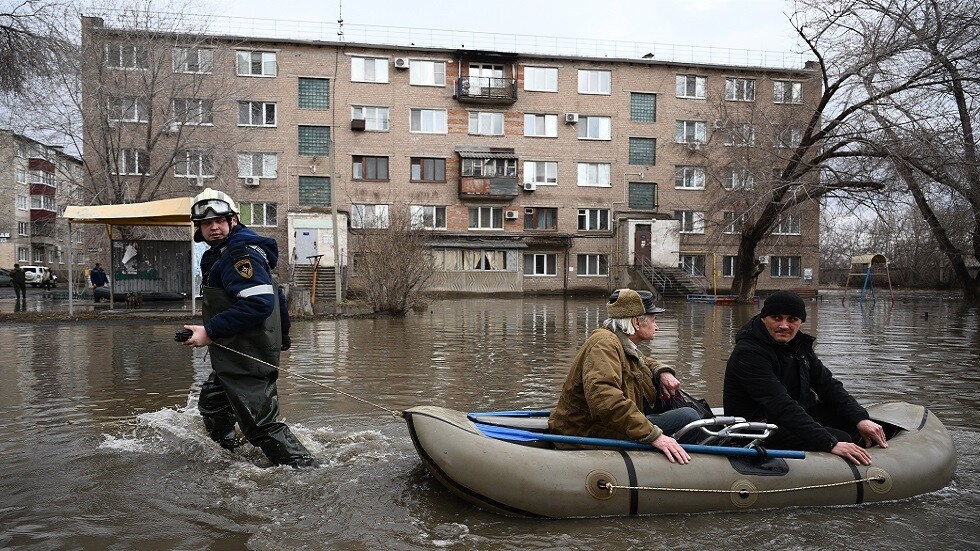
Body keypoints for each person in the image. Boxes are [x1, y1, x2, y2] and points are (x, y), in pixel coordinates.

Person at [179, 188, 316, 468]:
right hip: (236, 348)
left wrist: (210, 332)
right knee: (213, 403)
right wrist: (283, 336)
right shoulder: (223, 252)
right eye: (206, 223)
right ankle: (227, 458)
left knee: (260, 425)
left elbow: (259, 303)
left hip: (248, 352)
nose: (214, 227)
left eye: (220, 220)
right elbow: (276, 296)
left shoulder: (238, 254)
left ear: (233, 220)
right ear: (199, 228)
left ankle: (309, 472)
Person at [724, 290, 888, 465]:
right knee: (841, 438)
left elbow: (828, 385)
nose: (784, 325)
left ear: (801, 322)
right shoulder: (748, 353)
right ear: (764, 318)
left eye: (792, 319)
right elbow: (779, 404)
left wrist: (860, 418)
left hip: (791, 416)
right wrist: (830, 443)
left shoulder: (799, 346)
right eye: (777, 318)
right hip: (758, 427)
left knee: (851, 423)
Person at [549, 288, 700, 464]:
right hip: (587, 432)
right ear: (636, 322)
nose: (657, 326)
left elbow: (644, 361)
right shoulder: (604, 345)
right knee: (690, 417)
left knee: (688, 414)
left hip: (605, 426)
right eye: (653, 320)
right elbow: (606, 400)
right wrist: (653, 435)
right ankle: (685, 465)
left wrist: (662, 372)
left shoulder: (619, 342)